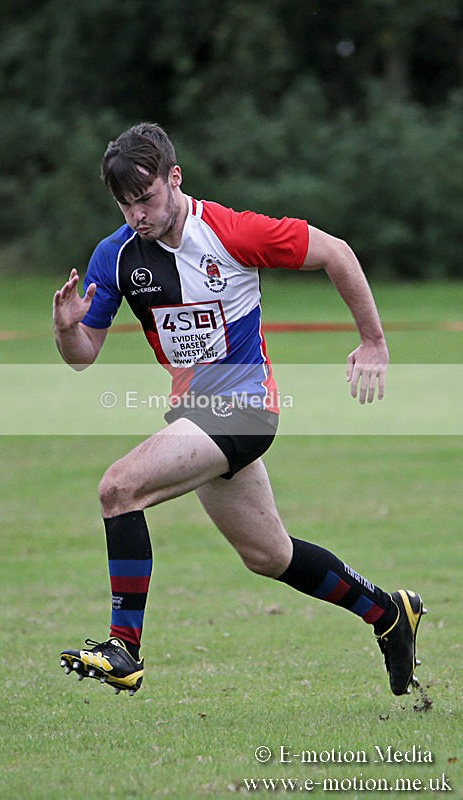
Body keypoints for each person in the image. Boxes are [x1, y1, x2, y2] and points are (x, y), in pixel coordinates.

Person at [53, 122, 425, 697]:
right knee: (267, 554)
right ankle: (388, 614)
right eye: (125, 204)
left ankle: (123, 647)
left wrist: (373, 340)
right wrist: (65, 329)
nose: (137, 216)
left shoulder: (230, 232)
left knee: (118, 488)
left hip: (246, 407)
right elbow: (83, 355)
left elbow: (336, 252)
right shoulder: (116, 256)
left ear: (175, 179)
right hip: (195, 416)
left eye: (147, 198)